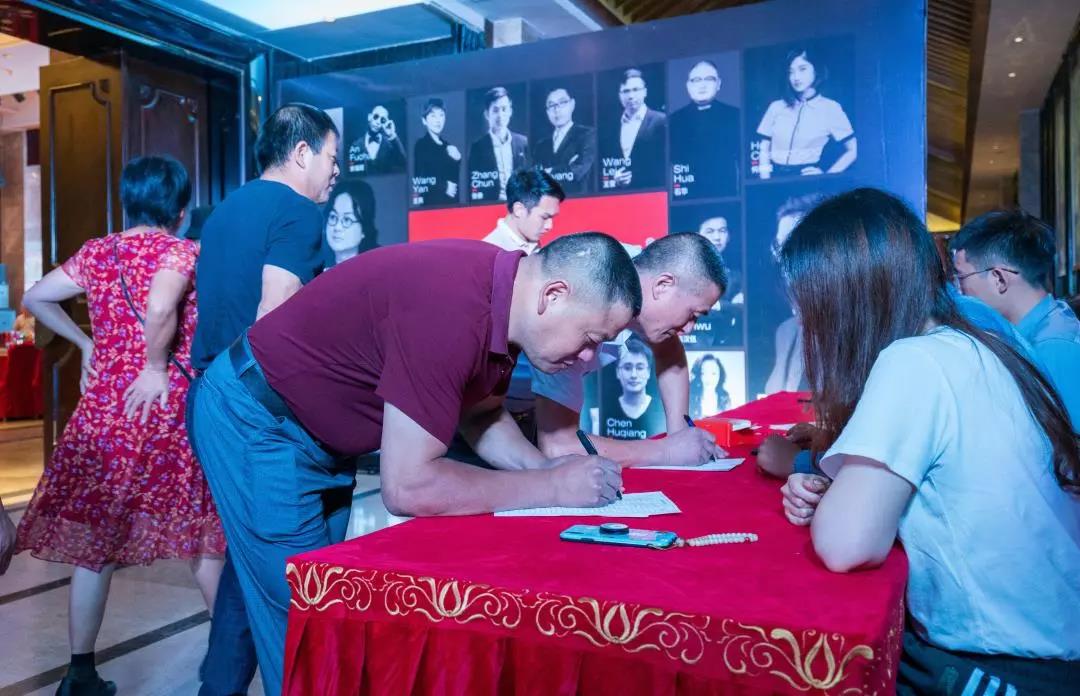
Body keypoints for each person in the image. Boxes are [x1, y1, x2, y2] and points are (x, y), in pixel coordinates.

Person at [188, 232, 639, 696]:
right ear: (554, 295)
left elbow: (480, 415)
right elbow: (410, 486)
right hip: (259, 422)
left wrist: (546, 471)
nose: (588, 358)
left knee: (273, 583)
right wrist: (553, 488)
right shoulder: (453, 309)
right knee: (306, 617)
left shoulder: (503, 300)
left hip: (315, 435)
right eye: (591, 339)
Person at [775, 188, 1080, 694]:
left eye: (811, 303)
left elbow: (846, 544)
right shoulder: (983, 339)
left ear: (846, 298)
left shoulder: (914, 361)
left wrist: (835, 496)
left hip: (1007, 666)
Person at [16, 156, 226, 696]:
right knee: (204, 537)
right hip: (166, 407)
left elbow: (35, 296)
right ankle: (229, 666)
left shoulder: (98, 252)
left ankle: (79, 673)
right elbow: (159, 309)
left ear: (128, 201)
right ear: (180, 209)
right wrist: (154, 366)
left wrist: (85, 342)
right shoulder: (182, 251)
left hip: (107, 410)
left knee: (96, 545)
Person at [192, 103, 339, 696]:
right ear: (302, 152)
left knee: (248, 561)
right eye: (332, 157)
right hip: (259, 412)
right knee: (298, 588)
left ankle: (217, 687)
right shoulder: (298, 209)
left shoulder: (224, 211)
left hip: (210, 397)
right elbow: (273, 313)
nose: (336, 171)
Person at [530, 233, 727, 467]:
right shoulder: (581, 297)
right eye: (692, 314)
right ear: (663, 285)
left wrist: (681, 437)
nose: (688, 329)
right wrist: (667, 451)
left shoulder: (641, 269)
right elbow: (558, 447)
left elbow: (668, 349)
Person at [950, 209, 1080, 427]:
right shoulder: (1045, 326)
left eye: (961, 277)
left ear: (999, 279)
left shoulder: (1053, 347)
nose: (958, 290)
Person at [755, 49, 856, 179]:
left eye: (802, 69)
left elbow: (853, 150)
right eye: (791, 72)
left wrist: (826, 175)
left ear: (817, 71)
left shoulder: (831, 108)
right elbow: (764, 147)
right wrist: (765, 179)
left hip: (807, 181)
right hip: (774, 177)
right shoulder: (776, 107)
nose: (796, 77)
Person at [764, 194, 822, 394]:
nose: (782, 260)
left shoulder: (855, 335)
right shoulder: (786, 332)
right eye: (779, 247)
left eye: (792, 248)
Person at [670, 60, 740, 198]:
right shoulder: (673, 121)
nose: (702, 85)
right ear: (688, 86)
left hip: (725, 195)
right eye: (696, 80)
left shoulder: (735, 116)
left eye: (709, 79)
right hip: (685, 197)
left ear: (718, 84)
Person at [600, 69, 666, 190]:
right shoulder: (610, 126)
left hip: (652, 194)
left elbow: (662, 166)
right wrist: (614, 179)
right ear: (619, 95)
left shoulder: (661, 121)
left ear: (645, 92)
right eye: (626, 91)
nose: (631, 96)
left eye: (635, 90)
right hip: (617, 196)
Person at [482, 168, 564, 254]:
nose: (549, 226)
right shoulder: (489, 253)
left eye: (552, 217)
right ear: (519, 210)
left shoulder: (532, 243)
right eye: (544, 217)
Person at [468, 87, 529, 202]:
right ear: (487, 114)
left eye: (504, 109)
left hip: (520, 206)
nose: (500, 115)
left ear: (510, 111)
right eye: (495, 110)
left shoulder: (523, 143)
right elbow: (473, 186)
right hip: (491, 207)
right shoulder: (478, 147)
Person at [532, 87, 596, 194]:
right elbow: (535, 181)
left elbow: (578, 171)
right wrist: (566, 166)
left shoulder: (587, 135)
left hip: (578, 200)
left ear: (572, 104)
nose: (556, 109)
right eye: (551, 105)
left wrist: (548, 172)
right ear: (547, 111)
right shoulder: (541, 145)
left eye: (562, 103)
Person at [601, 338, 666, 439]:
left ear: (648, 372)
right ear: (618, 372)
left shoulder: (662, 410)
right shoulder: (605, 410)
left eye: (640, 368)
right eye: (627, 368)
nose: (634, 375)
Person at [412, 98, 461, 205]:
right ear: (424, 120)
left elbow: (455, 184)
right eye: (433, 116)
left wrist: (458, 161)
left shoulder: (449, 147)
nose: (438, 120)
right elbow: (419, 179)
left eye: (441, 115)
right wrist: (444, 186)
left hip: (452, 207)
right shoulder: (421, 145)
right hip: (430, 207)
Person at [325, 178, 378, 266]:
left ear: (364, 230)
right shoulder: (315, 266)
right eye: (333, 217)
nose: (337, 227)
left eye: (347, 220)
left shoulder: (378, 266)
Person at [347, 104, 405, 175]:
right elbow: (351, 170)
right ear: (369, 117)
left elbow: (403, 162)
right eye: (376, 117)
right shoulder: (356, 145)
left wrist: (391, 134)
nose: (378, 122)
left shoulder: (389, 144)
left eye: (382, 120)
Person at [689, 353, 730, 419]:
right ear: (698, 375)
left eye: (713, 373)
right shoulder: (690, 399)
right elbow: (685, 418)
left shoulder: (724, 399)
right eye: (704, 373)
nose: (709, 378)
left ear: (720, 375)